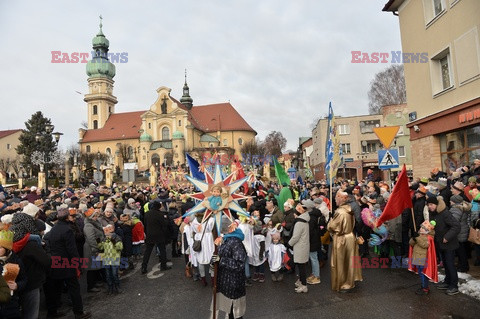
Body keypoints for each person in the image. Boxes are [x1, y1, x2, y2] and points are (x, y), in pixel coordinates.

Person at [44, 208, 91, 319]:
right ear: (66, 217)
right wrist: (78, 263)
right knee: (74, 288)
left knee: (56, 289)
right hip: (67, 263)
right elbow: (72, 249)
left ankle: (52, 312)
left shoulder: (54, 229)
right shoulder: (67, 230)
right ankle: (79, 312)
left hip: (56, 262)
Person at [10, 212, 51, 319]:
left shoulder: (7, 242)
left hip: (14, 283)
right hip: (31, 282)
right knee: (31, 313)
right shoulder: (30, 243)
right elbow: (46, 261)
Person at [211, 216, 247, 319]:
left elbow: (239, 263)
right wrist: (214, 261)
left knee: (235, 313)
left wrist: (221, 260)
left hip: (233, 283)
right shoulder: (225, 239)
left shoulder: (235, 242)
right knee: (230, 311)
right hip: (226, 282)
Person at [327, 191, 362, 292]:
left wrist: (329, 222)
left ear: (341, 199)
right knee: (350, 261)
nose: (335, 200)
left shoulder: (340, 212)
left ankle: (344, 284)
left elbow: (332, 227)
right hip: (350, 236)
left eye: (336, 199)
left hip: (342, 239)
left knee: (342, 262)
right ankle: (350, 281)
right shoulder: (349, 209)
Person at [427, 196, 461, 296]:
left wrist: (447, 237)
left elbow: (456, 226)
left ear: (437, 205)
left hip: (449, 243)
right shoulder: (433, 214)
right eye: (428, 205)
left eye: (431, 205)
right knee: (445, 264)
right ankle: (447, 281)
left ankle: (454, 286)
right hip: (440, 243)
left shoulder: (445, 213)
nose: (430, 207)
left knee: (450, 264)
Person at [141, 201, 171, 274]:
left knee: (148, 252)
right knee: (162, 250)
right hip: (159, 234)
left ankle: (144, 267)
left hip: (150, 234)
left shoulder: (147, 214)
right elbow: (164, 225)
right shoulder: (160, 214)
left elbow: (145, 224)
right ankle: (163, 266)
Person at [408, 220, 437, 295]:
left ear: (427, 230)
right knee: (420, 273)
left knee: (423, 273)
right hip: (417, 257)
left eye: (423, 228)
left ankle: (425, 288)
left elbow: (425, 245)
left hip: (423, 259)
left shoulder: (429, 237)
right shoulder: (419, 235)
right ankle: (424, 285)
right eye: (421, 227)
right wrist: (413, 238)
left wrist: (417, 238)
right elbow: (411, 244)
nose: (421, 229)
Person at [288, 203, 310, 293]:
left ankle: (304, 285)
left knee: (301, 268)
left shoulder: (299, 222)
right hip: (303, 246)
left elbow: (295, 237)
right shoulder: (304, 220)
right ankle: (301, 282)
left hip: (300, 247)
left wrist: (289, 244)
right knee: (302, 266)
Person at [98, 224, 123, 294]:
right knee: (108, 275)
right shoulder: (104, 239)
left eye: (108, 230)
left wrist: (114, 242)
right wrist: (98, 242)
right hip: (107, 259)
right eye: (105, 230)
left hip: (114, 258)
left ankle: (117, 287)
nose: (106, 232)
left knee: (114, 274)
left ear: (112, 230)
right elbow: (101, 248)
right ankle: (110, 288)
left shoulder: (116, 238)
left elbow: (120, 248)